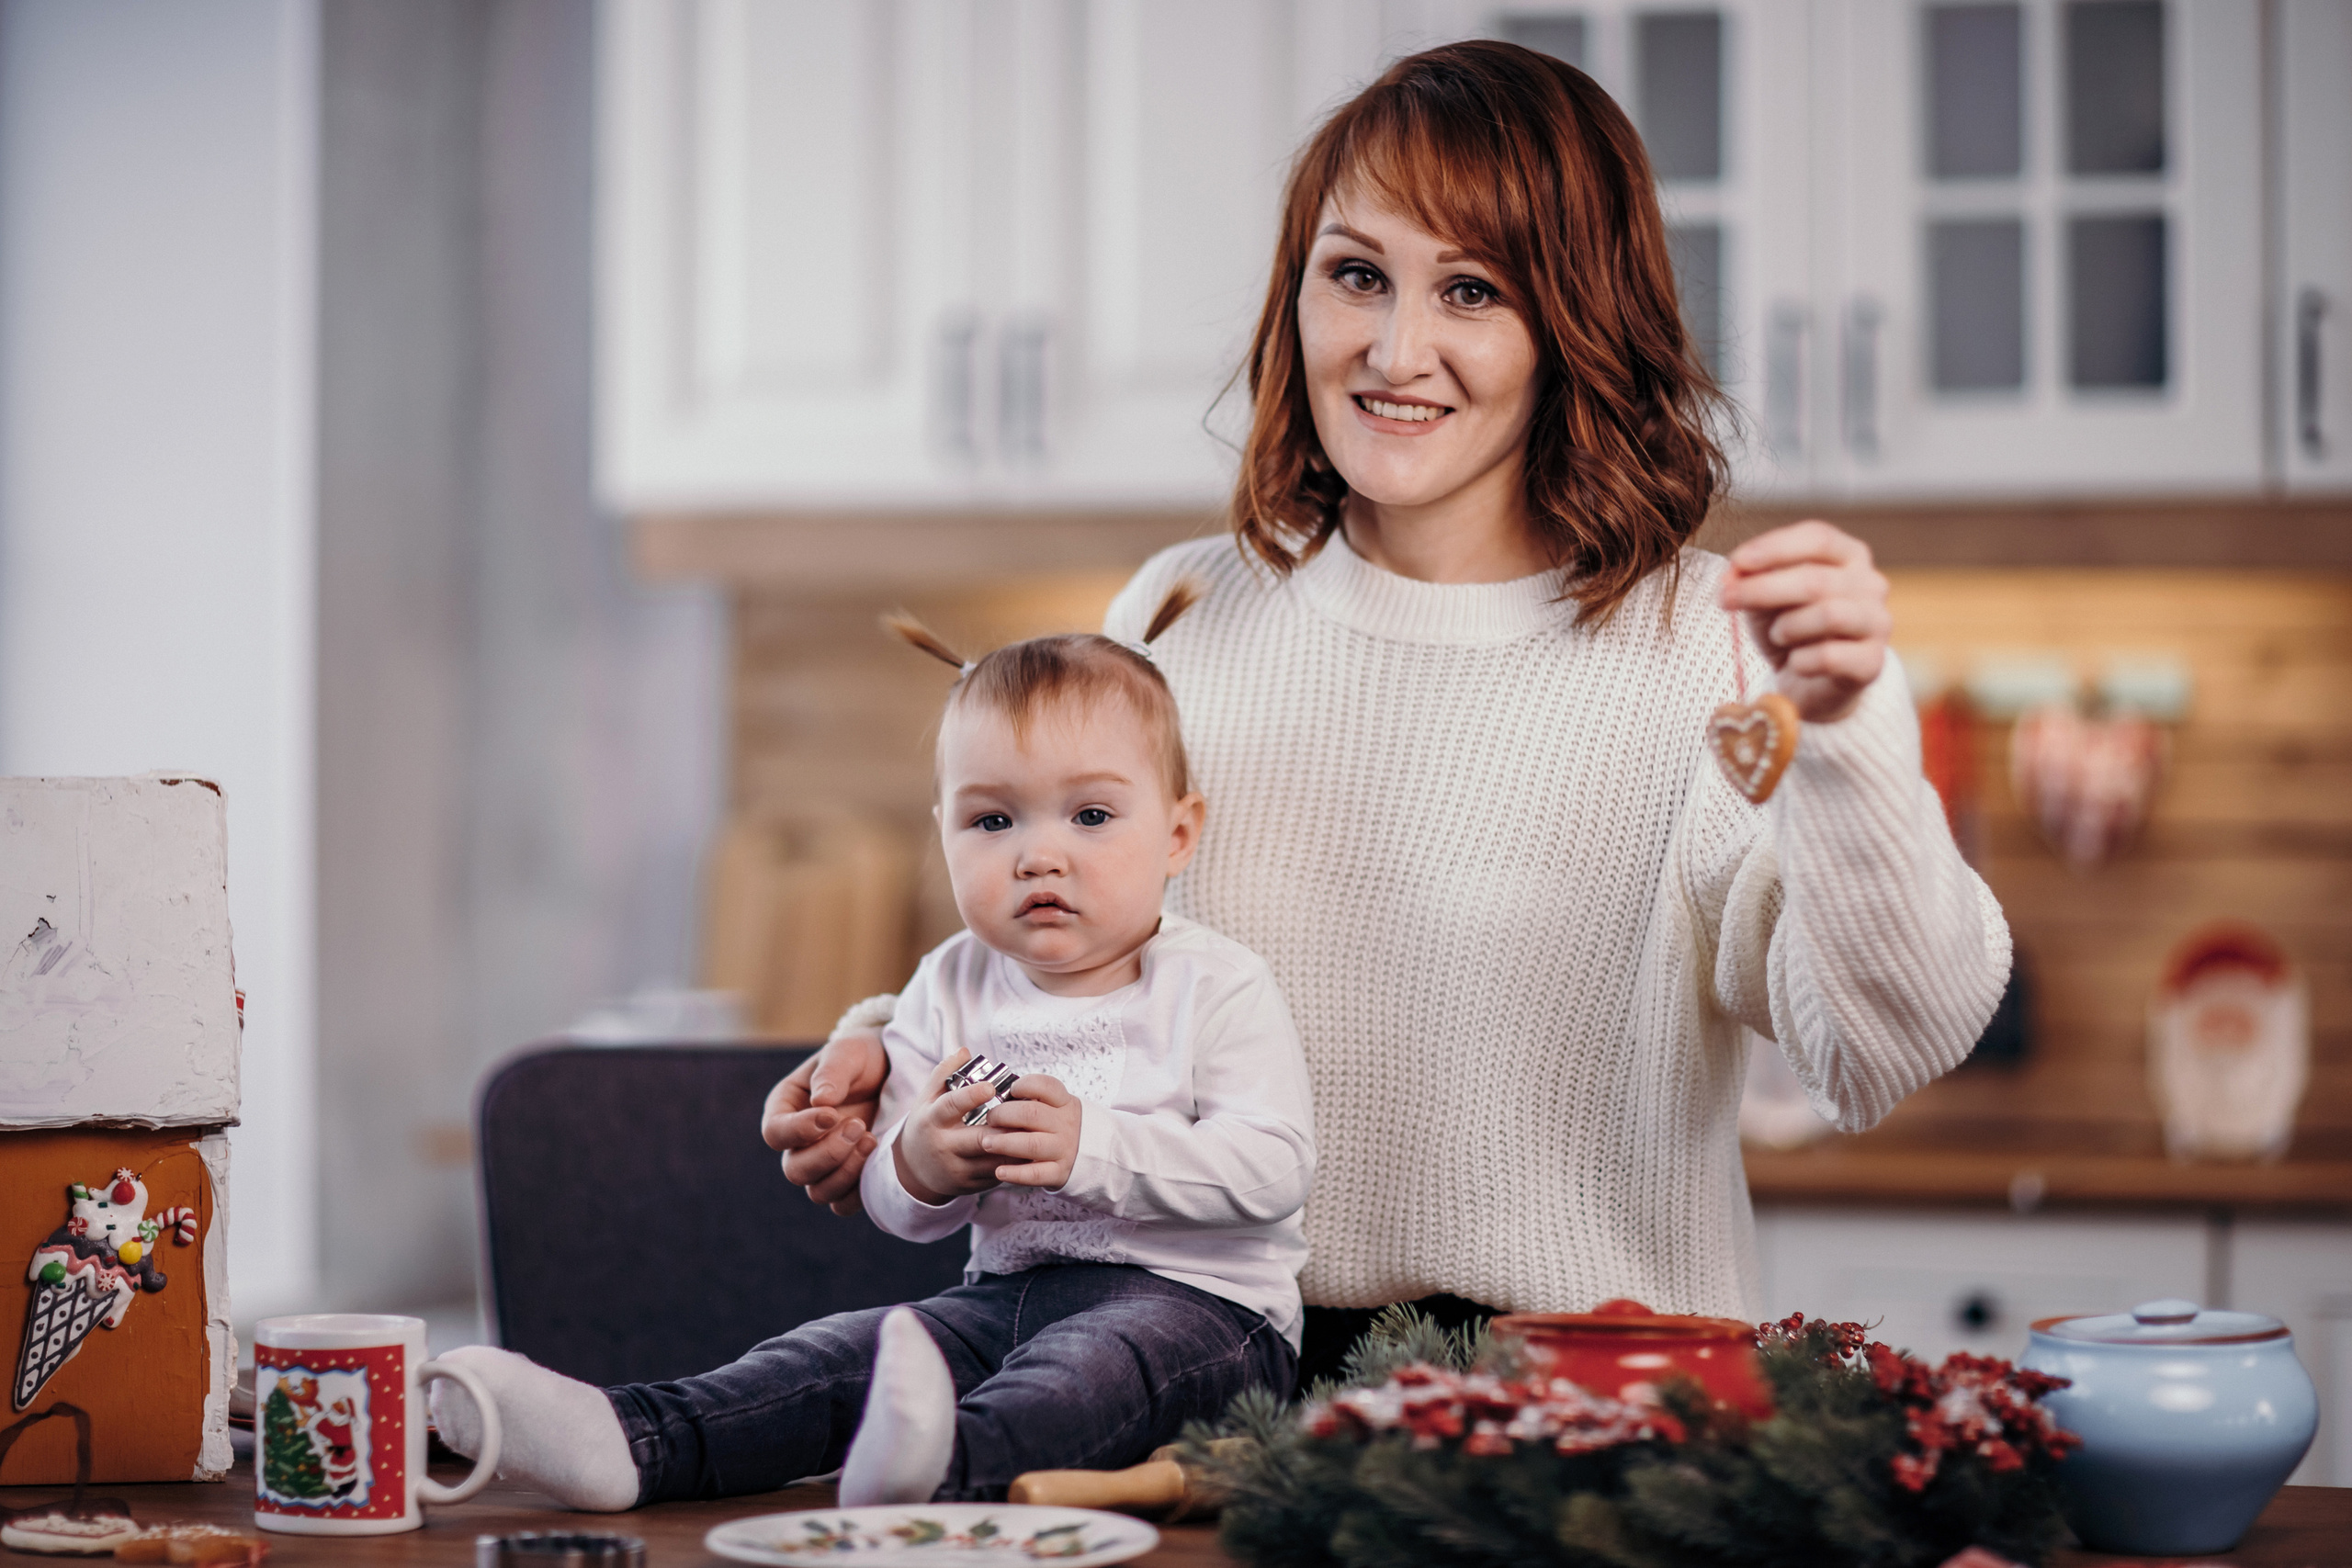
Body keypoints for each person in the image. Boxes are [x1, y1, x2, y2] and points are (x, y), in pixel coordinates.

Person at [765, 40, 2010, 1392]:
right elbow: (1074, 949)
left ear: (1573, 324)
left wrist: (1852, 730)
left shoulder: (1700, 646)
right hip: (1199, 1368)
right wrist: (881, 1047)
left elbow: (1880, 1046)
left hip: (1582, 1404)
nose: (1393, 348)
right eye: (1357, 274)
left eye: (1470, 289)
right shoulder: (1183, 609)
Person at [427, 583, 1313, 1508]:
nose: (1038, 855)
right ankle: (634, 1439)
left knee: (1086, 1372)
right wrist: (923, 1164)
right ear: (944, 833)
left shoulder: (1217, 984)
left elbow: (1273, 1170)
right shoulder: (947, 983)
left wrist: (1093, 1149)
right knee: (833, 1353)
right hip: (1001, 1300)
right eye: (992, 820)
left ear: (1176, 835)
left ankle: (938, 1466)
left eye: (1090, 817)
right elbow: (899, 1209)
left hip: (1204, 1319)